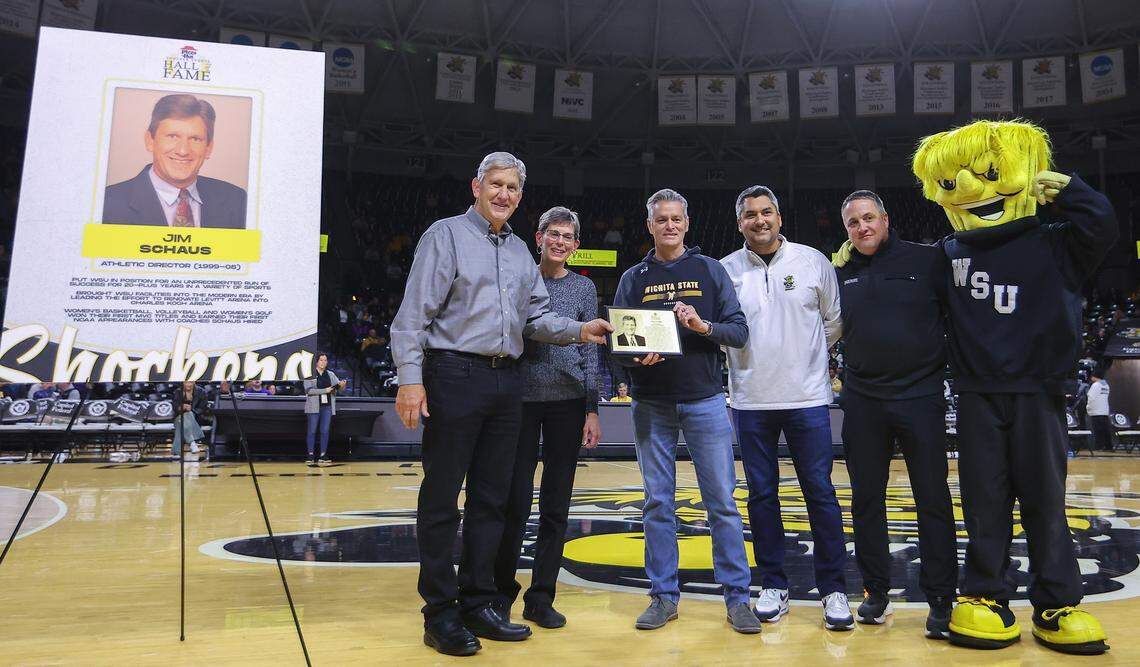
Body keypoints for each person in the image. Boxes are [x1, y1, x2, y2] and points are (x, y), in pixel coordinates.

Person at [391, 152, 612, 657]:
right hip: (453, 374)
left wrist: (581, 328)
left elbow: (537, 318)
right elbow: (411, 316)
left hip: (507, 382)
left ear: (519, 196)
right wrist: (410, 379)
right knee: (443, 497)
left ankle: (480, 602)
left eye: (512, 187)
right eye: (496, 184)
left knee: (493, 501)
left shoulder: (518, 254)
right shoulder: (444, 235)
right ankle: (440, 612)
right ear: (476, 186)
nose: (503, 194)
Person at [912, 119, 1116, 654]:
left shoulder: (1057, 241)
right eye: (955, 182)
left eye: (991, 173)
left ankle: (1057, 602)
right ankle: (986, 595)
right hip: (978, 394)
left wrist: (1073, 191)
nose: (975, 191)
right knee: (984, 502)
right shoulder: (949, 252)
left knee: (1046, 502)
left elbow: (1104, 229)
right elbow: (907, 286)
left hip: (1039, 392)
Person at [613, 188, 759, 635]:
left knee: (722, 503)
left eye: (677, 219)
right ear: (650, 225)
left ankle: (737, 599)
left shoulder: (710, 271)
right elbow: (617, 346)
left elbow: (739, 332)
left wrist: (703, 326)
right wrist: (635, 358)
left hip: (705, 401)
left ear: (687, 223)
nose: (670, 226)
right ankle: (663, 596)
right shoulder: (633, 278)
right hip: (650, 403)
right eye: (662, 220)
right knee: (658, 502)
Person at [720, 185, 852, 631]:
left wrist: (806, 356)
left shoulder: (813, 260)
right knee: (761, 495)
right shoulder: (726, 270)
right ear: (739, 222)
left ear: (779, 217)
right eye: (751, 214)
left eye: (767, 212)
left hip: (809, 397)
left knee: (820, 493)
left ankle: (834, 589)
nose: (760, 220)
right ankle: (773, 583)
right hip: (752, 399)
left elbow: (834, 321)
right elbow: (721, 331)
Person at [831, 190, 958, 637]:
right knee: (866, 500)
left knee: (933, 499)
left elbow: (956, 315)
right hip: (863, 400)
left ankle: (941, 598)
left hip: (921, 396)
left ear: (885, 219)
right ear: (845, 229)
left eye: (869, 218)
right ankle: (876, 592)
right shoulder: (840, 272)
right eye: (852, 222)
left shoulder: (927, 260)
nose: (862, 227)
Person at [492, 206, 601, 630]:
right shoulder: (521, 277)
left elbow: (590, 352)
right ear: (539, 238)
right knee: (513, 503)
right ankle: (501, 594)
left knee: (556, 505)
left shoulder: (584, 289)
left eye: (567, 236)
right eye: (552, 234)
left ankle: (541, 597)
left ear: (576, 245)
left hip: (568, 402)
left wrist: (592, 407)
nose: (559, 241)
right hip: (520, 399)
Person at [102, 94, 246, 229]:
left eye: (195, 139)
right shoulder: (107, 204)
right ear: (150, 141)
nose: (183, 151)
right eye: (172, 136)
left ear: (208, 148)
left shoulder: (237, 201)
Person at [303, 352, 345, 467]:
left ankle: (323, 455)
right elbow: (308, 390)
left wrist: (342, 385)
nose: (323, 362)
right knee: (312, 430)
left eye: (325, 360)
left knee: (325, 431)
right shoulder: (310, 374)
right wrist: (324, 390)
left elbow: (339, 388)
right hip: (313, 406)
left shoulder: (330, 374)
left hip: (327, 406)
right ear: (316, 361)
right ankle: (310, 455)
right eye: (321, 360)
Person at [173, 381, 211, 461]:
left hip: (197, 418)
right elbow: (175, 407)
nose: (188, 384)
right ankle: (192, 442)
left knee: (187, 416)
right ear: (183, 383)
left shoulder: (201, 392)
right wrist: (181, 407)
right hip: (179, 417)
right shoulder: (178, 392)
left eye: (190, 382)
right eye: (186, 382)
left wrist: (192, 410)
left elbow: (203, 408)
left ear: (194, 383)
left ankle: (177, 451)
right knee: (182, 418)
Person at [1086, 370, 1112, 451]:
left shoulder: (1095, 385)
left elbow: (1091, 398)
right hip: (1104, 410)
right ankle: (1109, 446)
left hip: (1096, 411)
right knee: (1106, 429)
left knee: (1098, 430)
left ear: (1095, 377)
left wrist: (1088, 408)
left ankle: (1099, 446)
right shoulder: (1106, 385)